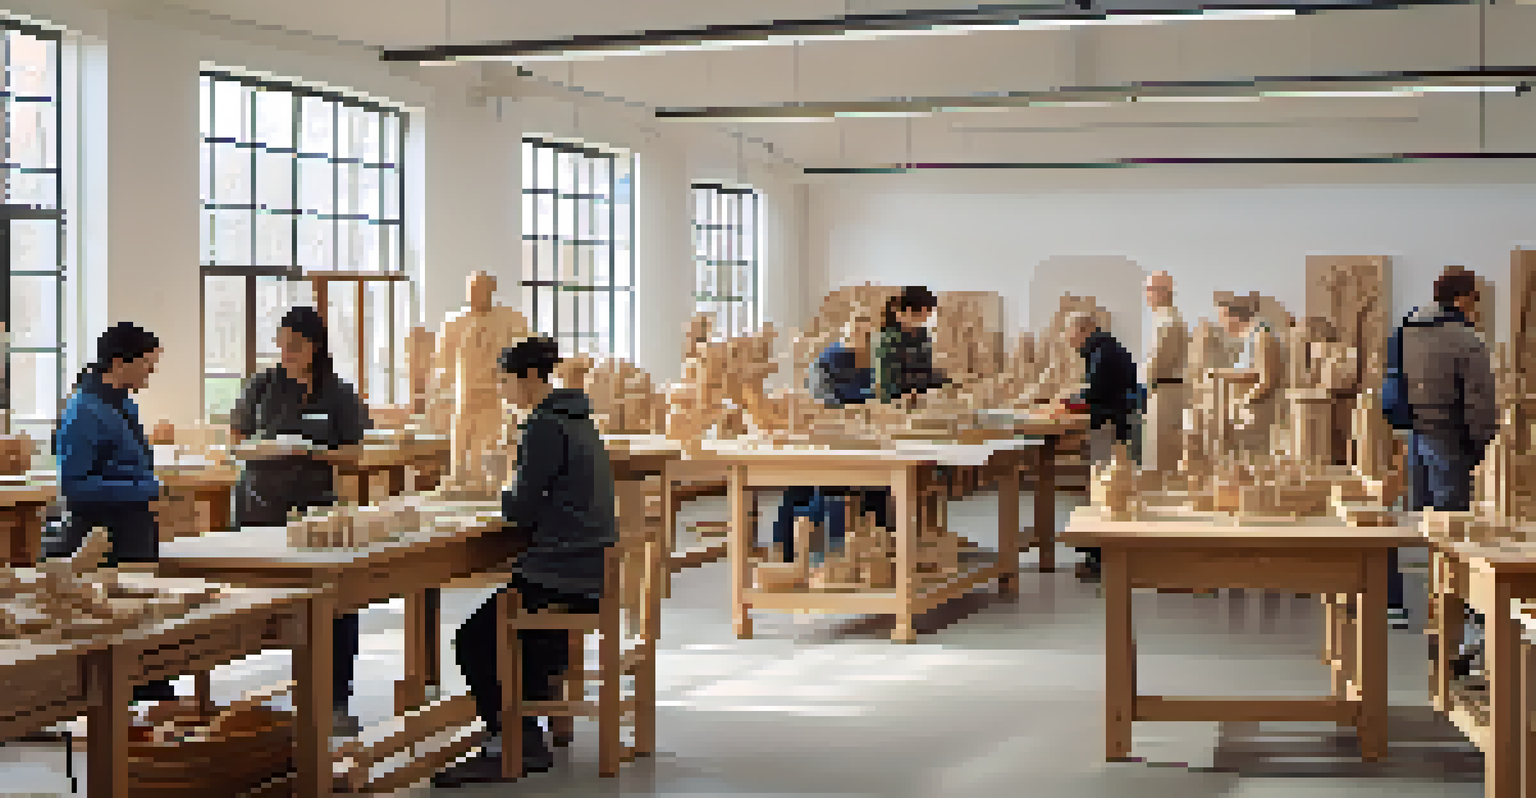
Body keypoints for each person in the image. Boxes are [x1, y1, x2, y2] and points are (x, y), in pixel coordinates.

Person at [435, 337, 618, 787]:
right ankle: (527, 732)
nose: (502, 390)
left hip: (563, 570)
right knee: (519, 629)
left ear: (532, 378)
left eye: (506, 381)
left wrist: (501, 490)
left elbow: (520, 509)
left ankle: (507, 742)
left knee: (474, 638)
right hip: (589, 566)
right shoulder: (579, 420)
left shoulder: (544, 425)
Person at [228, 306, 370, 734]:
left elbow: (353, 454)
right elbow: (235, 442)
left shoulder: (337, 393)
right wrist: (263, 448)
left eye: (296, 345)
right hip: (260, 508)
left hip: (315, 511)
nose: (287, 352)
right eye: (282, 344)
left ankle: (335, 700)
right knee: (256, 605)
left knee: (337, 602)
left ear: (315, 346)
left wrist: (312, 452)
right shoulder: (261, 386)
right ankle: (237, 709)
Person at [53, 323, 176, 703]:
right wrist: (146, 489)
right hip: (105, 533)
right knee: (119, 632)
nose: (149, 375)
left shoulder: (121, 400)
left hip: (133, 528)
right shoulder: (86, 410)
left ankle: (154, 702)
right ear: (120, 362)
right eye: (146, 366)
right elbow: (74, 486)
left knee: (145, 624)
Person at [1397, 270, 1495, 640]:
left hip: (1416, 434)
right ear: (1464, 297)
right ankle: (1459, 615)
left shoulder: (1408, 328)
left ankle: (1429, 610)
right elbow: (1480, 402)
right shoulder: (1466, 339)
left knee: (1427, 524)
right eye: (1476, 297)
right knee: (1455, 529)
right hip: (1451, 438)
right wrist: (1484, 447)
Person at [773, 309, 891, 562]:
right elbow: (822, 400)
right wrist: (855, 407)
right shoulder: (828, 361)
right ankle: (814, 551)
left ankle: (878, 548)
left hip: (867, 437)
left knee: (879, 486)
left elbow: (885, 394)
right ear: (847, 332)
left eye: (869, 333)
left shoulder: (876, 360)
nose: (864, 337)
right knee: (824, 489)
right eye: (858, 331)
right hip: (829, 437)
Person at [1063, 312, 1140, 580]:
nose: (1067, 337)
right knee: (1104, 485)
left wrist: (1071, 400)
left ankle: (1101, 556)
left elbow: (1096, 391)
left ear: (1083, 329)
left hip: (1109, 423)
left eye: (1069, 331)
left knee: (1105, 487)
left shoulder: (1103, 351)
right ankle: (1099, 552)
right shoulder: (1106, 347)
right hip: (1113, 421)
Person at [1216, 294, 1284, 458]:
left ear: (1234, 316)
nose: (1221, 324)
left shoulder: (1262, 335)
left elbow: (1266, 380)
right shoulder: (1251, 338)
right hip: (1246, 412)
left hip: (1255, 414)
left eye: (1222, 317)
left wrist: (1240, 405)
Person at [1142, 272, 1190, 479]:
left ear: (1163, 292)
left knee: (1161, 456)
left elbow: (1157, 363)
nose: (1147, 295)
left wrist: (1138, 374)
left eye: (1150, 290)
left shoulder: (1168, 322)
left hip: (1165, 393)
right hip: (1164, 391)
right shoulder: (1165, 320)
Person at [874, 286, 947, 405]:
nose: (929, 316)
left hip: (920, 401)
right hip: (895, 404)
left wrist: (944, 380)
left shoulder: (923, 335)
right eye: (927, 311)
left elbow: (925, 370)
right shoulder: (888, 338)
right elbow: (889, 382)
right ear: (910, 310)